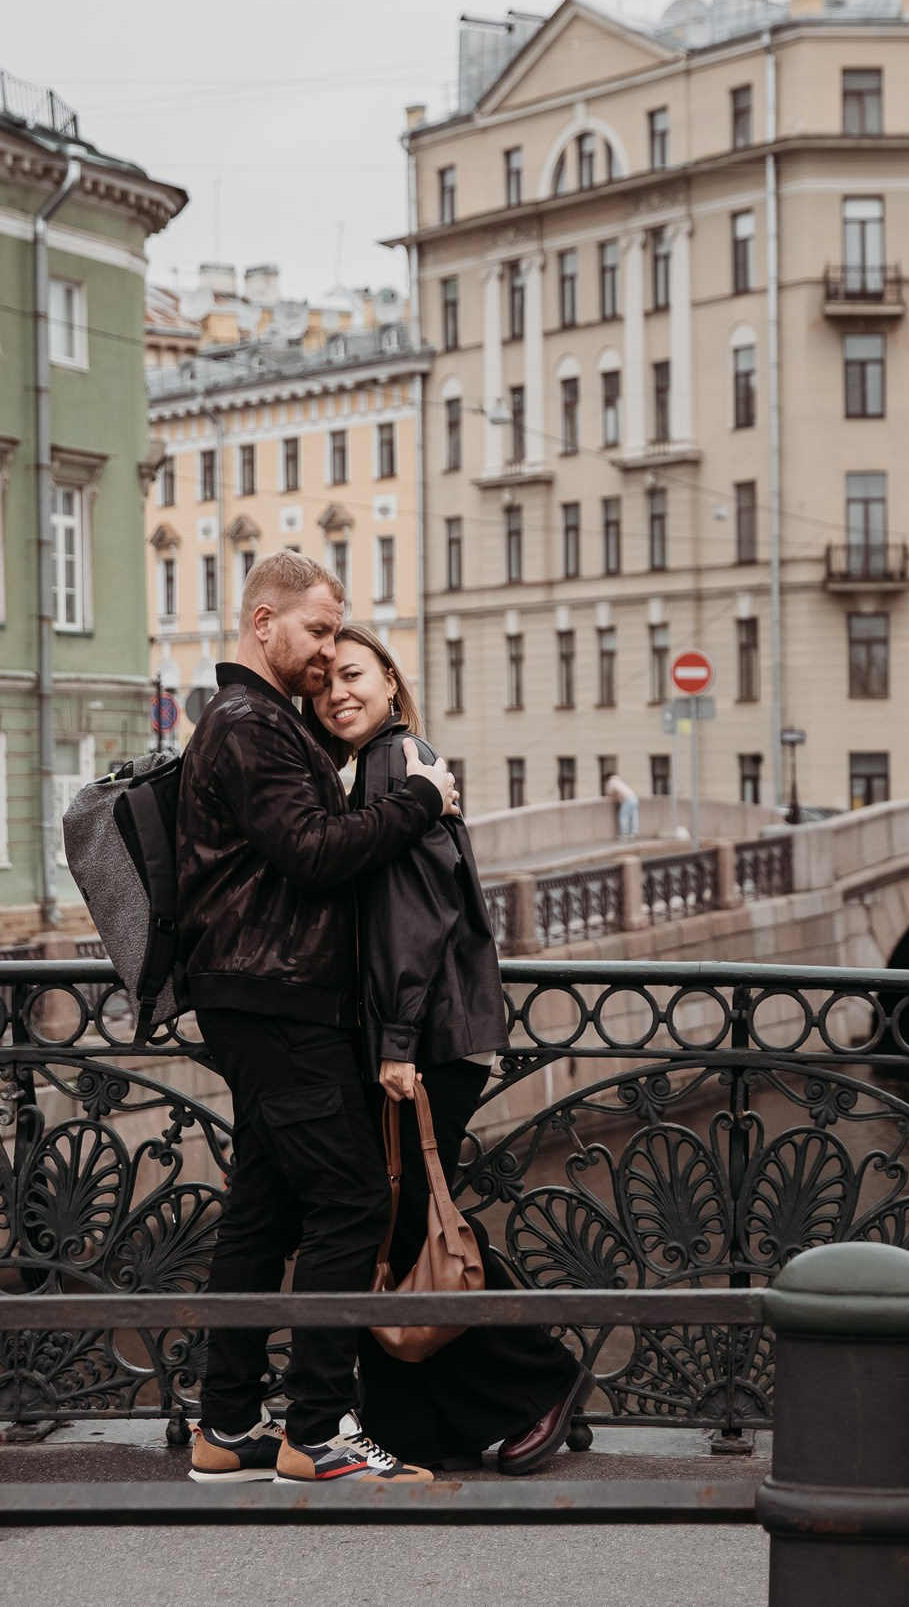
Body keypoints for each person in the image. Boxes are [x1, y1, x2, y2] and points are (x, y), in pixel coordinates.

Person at [179, 551, 460, 1488]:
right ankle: (317, 1432)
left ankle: (224, 1424)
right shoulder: (247, 722)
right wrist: (420, 796)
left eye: (340, 634)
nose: (328, 648)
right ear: (264, 623)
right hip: (275, 998)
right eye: (317, 630)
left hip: (260, 995)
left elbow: (295, 814)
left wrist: (373, 742)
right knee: (352, 1201)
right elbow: (310, 848)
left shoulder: (254, 724)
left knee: (262, 1213)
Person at [316, 625, 594, 1474]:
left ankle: (538, 1378)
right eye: (323, 684)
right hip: (435, 1027)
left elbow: (415, 911)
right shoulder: (392, 765)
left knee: (403, 1225)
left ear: (392, 682)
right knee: (400, 1229)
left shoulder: (395, 764)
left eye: (353, 674)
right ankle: (415, 1422)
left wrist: (395, 1041)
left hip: (426, 1035)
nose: (337, 693)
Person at [605, 769, 639, 840]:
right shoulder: (619, 781)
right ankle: (634, 833)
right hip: (634, 797)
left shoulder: (611, 781)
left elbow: (609, 793)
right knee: (633, 816)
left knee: (624, 816)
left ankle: (624, 834)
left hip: (627, 799)